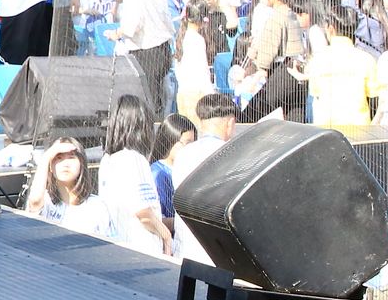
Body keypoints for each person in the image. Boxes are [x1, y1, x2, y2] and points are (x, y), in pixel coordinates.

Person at [98, 95, 173, 258]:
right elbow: (144, 213)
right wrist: (166, 235)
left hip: (117, 248)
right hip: (143, 250)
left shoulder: (107, 160)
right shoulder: (134, 159)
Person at [169, 93, 237, 262]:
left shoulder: (183, 154)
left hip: (185, 247)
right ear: (230, 123)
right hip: (217, 253)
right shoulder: (232, 154)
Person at [22, 137, 112, 239]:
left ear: (81, 164)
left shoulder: (97, 206)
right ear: (50, 166)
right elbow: (35, 202)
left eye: (71, 158)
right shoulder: (46, 201)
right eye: (59, 158)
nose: (65, 164)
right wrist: (46, 156)